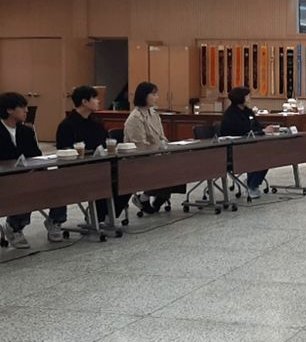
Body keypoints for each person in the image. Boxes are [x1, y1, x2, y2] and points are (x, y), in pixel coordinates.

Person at [0, 92, 65, 248]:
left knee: (59, 182)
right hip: (5, 178)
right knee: (26, 187)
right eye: (22, 107)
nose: (27, 111)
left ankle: (55, 220)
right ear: (9, 110)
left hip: (27, 174)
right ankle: (15, 226)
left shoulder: (26, 131)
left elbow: (36, 155)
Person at [56, 86, 126, 222]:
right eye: (94, 98)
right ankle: (99, 215)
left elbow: (105, 143)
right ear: (84, 102)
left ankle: (108, 214)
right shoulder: (67, 125)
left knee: (127, 176)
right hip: (79, 169)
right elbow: (64, 152)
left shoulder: (96, 122)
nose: (98, 101)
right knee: (102, 177)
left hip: (100, 164)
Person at [125, 82, 183, 213]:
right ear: (144, 96)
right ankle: (146, 197)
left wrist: (167, 146)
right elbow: (140, 147)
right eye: (153, 94)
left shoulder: (153, 113)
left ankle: (160, 197)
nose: (157, 97)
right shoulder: (135, 118)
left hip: (156, 155)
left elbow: (161, 136)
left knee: (178, 163)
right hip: (140, 159)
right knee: (166, 168)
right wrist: (158, 149)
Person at [220, 86, 276, 198]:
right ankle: (252, 185)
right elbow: (242, 130)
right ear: (241, 97)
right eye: (247, 95)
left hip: (248, 146)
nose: (249, 97)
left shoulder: (248, 111)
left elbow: (256, 126)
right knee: (261, 156)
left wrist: (264, 129)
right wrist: (262, 131)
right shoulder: (230, 114)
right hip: (234, 149)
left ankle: (252, 183)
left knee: (268, 154)